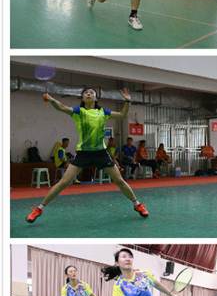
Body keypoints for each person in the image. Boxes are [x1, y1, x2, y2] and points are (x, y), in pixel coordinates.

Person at [25, 87, 149, 223]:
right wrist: (51, 99)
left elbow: (122, 115)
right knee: (64, 182)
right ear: (83, 98)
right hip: (83, 153)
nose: (89, 94)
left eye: (91, 93)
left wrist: (127, 101)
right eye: (86, 93)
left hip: (101, 153)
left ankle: (137, 204)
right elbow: (62, 107)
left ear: (95, 98)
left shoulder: (103, 112)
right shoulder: (79, 112)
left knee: (119, 180)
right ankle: (39, 208)